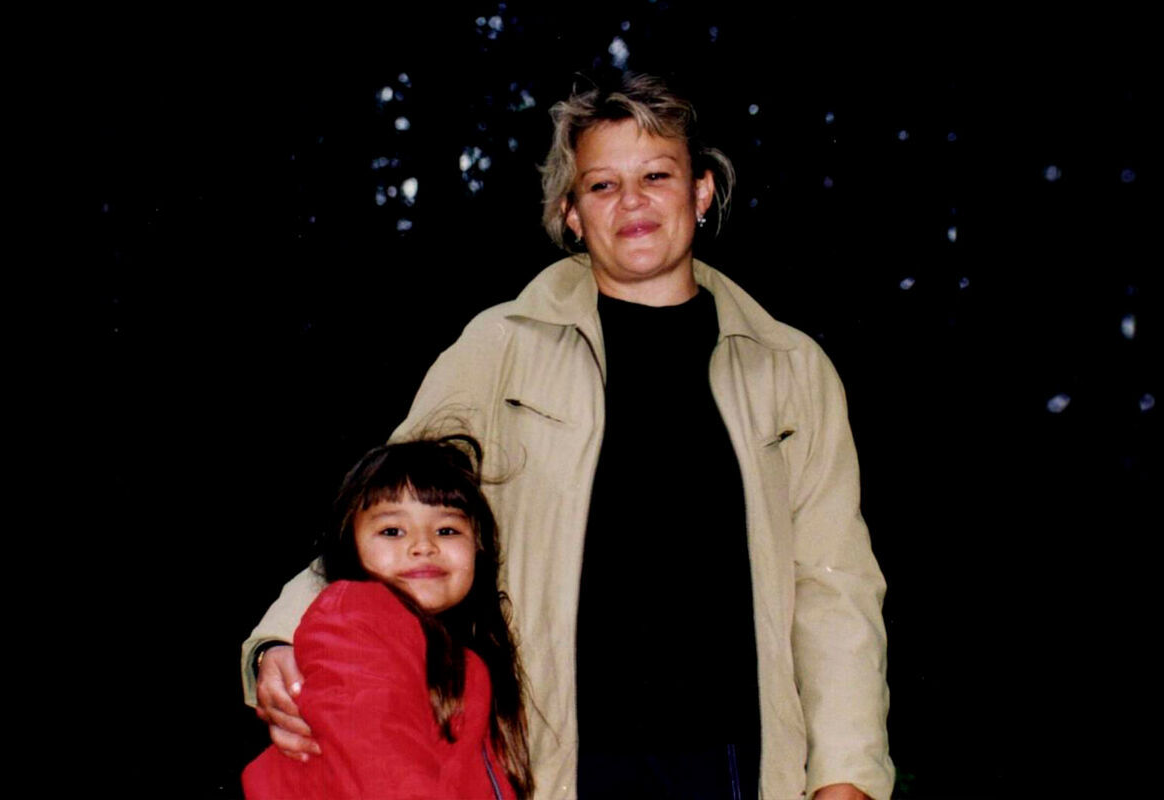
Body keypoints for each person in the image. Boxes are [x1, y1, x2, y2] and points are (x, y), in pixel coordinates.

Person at [244, 73, 894, 799]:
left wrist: (846, 772)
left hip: (736, 758)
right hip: (555, 763)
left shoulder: (790, 366)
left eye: (656, 176)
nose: (632, 202)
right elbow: (393, 512)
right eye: (602, 185)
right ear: (572, 213)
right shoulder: (502, 346)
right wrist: (281, 637)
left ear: (702, 191)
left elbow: (835, 586)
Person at [242, 436, 533, 799]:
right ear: (350, 547)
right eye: (392, 531)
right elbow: (380, 768)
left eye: (447, 530)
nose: (423, 545)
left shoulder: (462, 655)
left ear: (479, 547)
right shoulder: (357, 620)